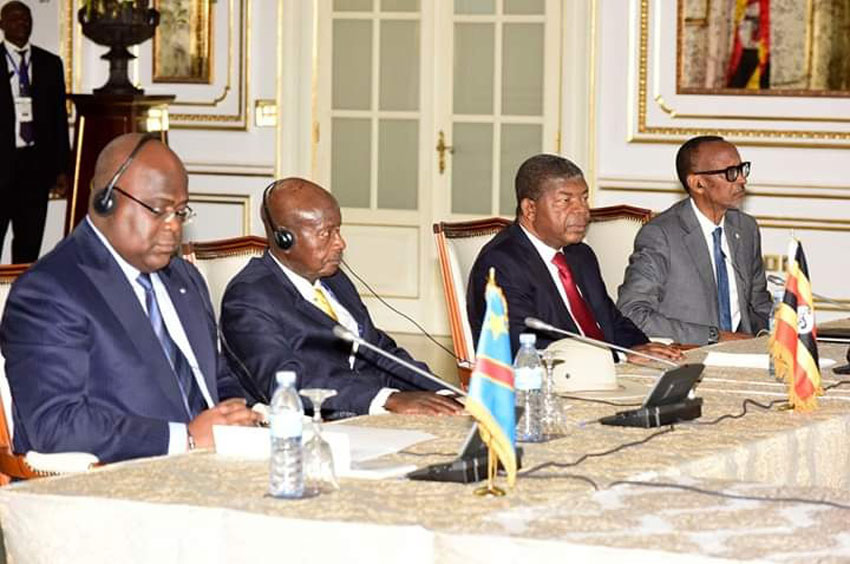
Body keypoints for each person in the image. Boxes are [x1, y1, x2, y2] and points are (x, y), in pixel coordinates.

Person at [0, 133, 260, 463]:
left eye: (180, 212)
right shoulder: (51, 292)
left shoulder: (184, 278)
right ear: (106, 200)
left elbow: (217, 379)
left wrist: (243, 415)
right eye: (159, 210)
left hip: (224, 463)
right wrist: (187, 439)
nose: (174, 227)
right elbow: (55, 426)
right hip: (123, 484)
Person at [220, 178, 463, 418]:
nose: (340, 243)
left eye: (338, 230)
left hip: (368, 417)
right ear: (285, 238)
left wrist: (442, 391)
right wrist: (385, 399)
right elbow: (283, 382)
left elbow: (379, 352)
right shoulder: (248, 298)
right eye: (326, 233)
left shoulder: (334, 280)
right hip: (316, 426)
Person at [467, 154, 682, 363]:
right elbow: (525, 344)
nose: (582, 210)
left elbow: (610, 320)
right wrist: (620, 357)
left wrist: (640, 347)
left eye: (584, 198)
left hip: (605, 371)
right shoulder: (502, 263)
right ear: (530, 209)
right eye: (565, 200)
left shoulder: (579, 254)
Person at [617, 136, 771, 345]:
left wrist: (770, 338)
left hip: (745, 354)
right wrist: (714, 337)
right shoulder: (661, 235)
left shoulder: (745, 228)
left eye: (742, 169)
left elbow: (759, 304)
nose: (742, 179)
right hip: (687, 354)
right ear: (698, 183)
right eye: (731, 173)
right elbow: (632, 313)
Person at [0, 1, 69, 263]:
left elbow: (59, 119)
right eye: (15, 18)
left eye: (26, 18)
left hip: (35, 169)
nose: (22, 23)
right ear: (2, 24)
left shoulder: (50, 64)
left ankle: (20, 300)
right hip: (1, 166)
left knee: (29, 244)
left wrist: (63, 167)